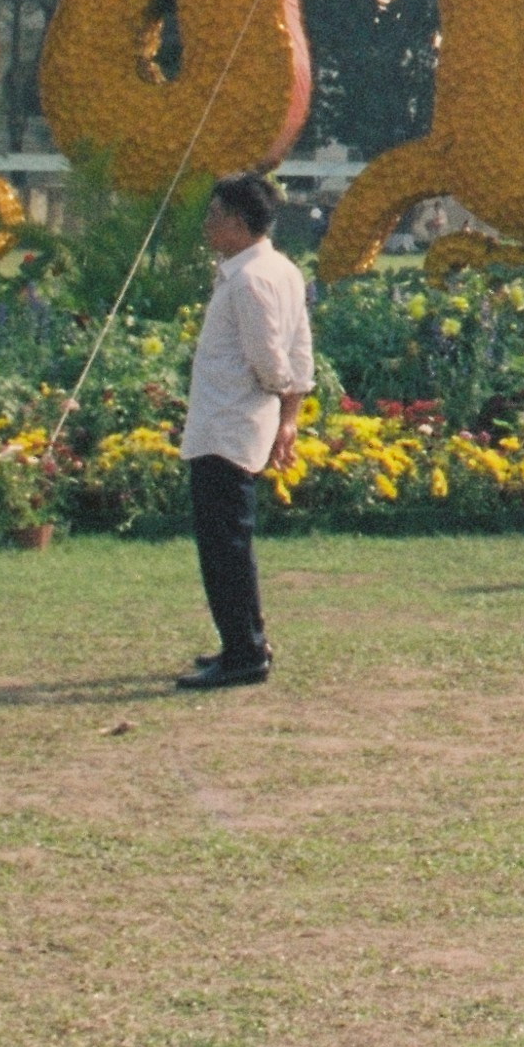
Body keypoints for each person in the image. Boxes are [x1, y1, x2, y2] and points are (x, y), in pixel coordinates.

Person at [177, 174, 316, 688]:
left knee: (224, 545)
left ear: (238, 223)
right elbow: (301, 350)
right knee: (230, 540)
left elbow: (273, 360)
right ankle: (245, 639)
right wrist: (289, 418)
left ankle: (244, 653)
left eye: (214, 216)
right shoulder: (278, 271)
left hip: (228, 427)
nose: (207, 226)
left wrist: (283, 403)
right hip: (234, 424)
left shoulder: (253, 280)